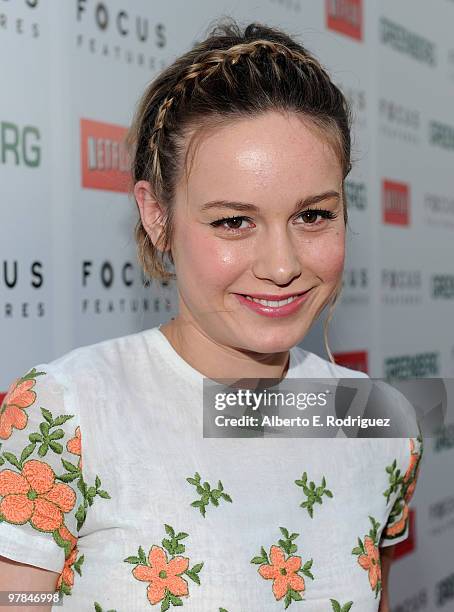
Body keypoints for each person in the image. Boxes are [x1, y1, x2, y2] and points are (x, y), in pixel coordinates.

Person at [0, 19, 422, 612]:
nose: (282, 265)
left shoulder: (381, 419)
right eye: (232, 221)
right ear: (157, 216)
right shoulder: (61, 417)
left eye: (313, 215)